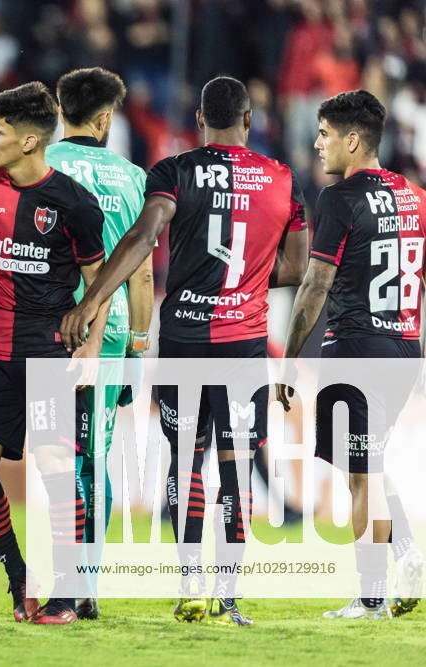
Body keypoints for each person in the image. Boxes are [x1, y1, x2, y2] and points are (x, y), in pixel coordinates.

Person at [60, 76, 309, 626]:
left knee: (186, 460)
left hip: (186, 340)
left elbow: (143, 239)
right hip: (244, 344)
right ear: (248, 121)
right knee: (237, 465)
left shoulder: (175, 171)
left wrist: (94, 298)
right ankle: (228, 597)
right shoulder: (281, 179)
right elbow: (297, 266)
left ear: (200, 120)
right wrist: (242, 279)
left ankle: (191, 584)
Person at [0, 81, 106, 625]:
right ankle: (20, 576)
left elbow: (97, 283)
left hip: (48, 349)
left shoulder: (74, 203)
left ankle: (69, 589)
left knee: (56, 466)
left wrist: (89, 348)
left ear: (31, 140)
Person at [277, 89, 426, 620]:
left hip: (355, 349)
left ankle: (370, 597)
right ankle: (408, 557)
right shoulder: (415, 194)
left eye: (325, 134)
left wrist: (292, 357)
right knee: (372, 465)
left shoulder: (339, 199)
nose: (318, 145)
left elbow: (315, 284)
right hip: (405, 348)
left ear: (353, 139)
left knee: (359, 476)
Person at [45, 67, 154, 620]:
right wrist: (138, 346)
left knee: (55, 460)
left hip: (46, 331)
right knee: (95, 458)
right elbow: (141, 275)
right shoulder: (132, 178)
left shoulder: (40, 163)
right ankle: (87, 582)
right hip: (108, 339)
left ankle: (64, 578)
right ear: (107, 118)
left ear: (61, 109)